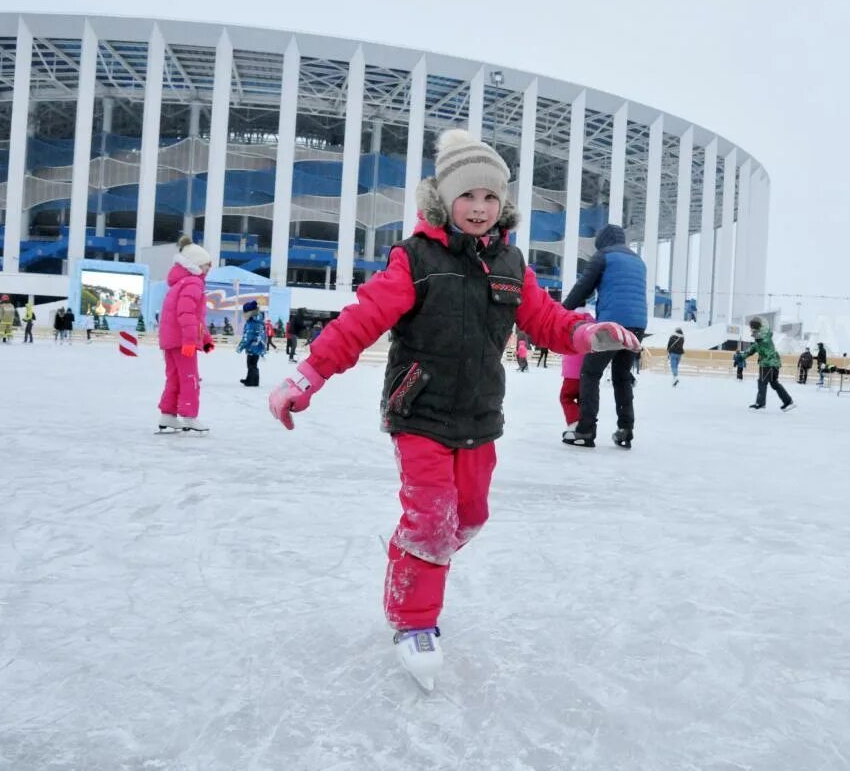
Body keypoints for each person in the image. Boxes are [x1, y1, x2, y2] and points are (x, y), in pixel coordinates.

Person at [265, 129, 639, 690]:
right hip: (420, 410)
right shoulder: (414, 259)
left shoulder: (512, 263)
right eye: (468, 196)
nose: (480, 207)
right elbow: (360, 321)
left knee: (468, 518)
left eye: (490, 197)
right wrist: (307, 374)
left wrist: (591, 333)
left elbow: (549, 322)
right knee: (433, 519)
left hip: (480, 416)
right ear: (445, 199)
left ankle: (412, 555)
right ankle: (415, 621)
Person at [560, 223, 647, 449]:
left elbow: (584, 287)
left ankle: (586, 430)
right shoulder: (638, 260)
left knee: (590, 373)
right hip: (638, 324)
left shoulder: (604, 256)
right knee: (622, 376)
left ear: (602, 242)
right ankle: (626, 429)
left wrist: (561, 311)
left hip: (612, 324)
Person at [157, 236, 216, 432]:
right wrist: (190, 341)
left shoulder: (179, 283)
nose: (208, 270)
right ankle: (189, 416)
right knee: (190, 377)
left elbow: (195, 318)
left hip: (171, 340)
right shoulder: (193, 283)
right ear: (197, 264)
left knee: (174, 377)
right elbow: (187, 314)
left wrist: (205, 340)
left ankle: (168, 415)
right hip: (183, 341)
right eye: (206, 266)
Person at [743, 317, 795, 411]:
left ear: (754, 327)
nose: (750, 329)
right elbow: (751, 349)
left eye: (751, 327)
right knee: (774, 383)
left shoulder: (763, 337)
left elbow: (761, 341)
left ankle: (760, 404)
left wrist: (757, 334)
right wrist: (740, 357)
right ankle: (788, 401)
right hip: (772, 364)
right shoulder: (759, 339)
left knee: (762, 382)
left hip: (768, 364)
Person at [236, 300, 268, 387]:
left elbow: (247, 337)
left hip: (253, 346)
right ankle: (251, 379)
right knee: (253, 364)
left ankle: (252, 381)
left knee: (251, 365)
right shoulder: (258, 320)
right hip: (257, 346)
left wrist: (240, 346)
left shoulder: (252, 323)